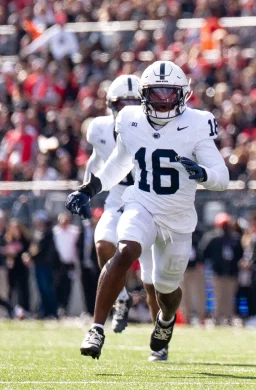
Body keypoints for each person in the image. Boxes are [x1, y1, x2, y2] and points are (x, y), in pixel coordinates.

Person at [65, 60, 229, 361]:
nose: (163, 99)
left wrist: (203, 174)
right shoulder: (130, 119)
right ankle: (96, 328)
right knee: (125, 250)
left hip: (178, 218)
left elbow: (222, 177)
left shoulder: (197, 123)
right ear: (144, 95)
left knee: (166, 289)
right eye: (156, 92)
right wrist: (88, 189)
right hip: (142, 202)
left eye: (169, 93)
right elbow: (118, 164)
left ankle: (165, 320)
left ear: (183, 94)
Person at [83, 75, 158, 338]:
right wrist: (85, 191)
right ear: (111, 105)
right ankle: (121, 297)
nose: (128, 108)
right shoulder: (99, 129)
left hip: (148, 201)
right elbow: (96, 159)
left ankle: (159, 340)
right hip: (117, 199)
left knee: (152, 282)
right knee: (103, 244)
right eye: (122, 103)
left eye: (134, 102)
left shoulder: (157, 128)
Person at [202, 213, 243, 325]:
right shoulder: (213, 238)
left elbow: (240, 254)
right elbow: (205, 252)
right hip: (218, 271)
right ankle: (217, 317)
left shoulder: (235, 238)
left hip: (231, 271)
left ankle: (229, 317)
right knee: (218, 295)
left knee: (230, 296)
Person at [52, 212, 80, 316]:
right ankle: (58, 307)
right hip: (58, 264)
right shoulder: (55, 232)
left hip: (70, 263)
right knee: (57, 285)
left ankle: (65, 307)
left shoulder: (74, 231)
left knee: (68, 286)